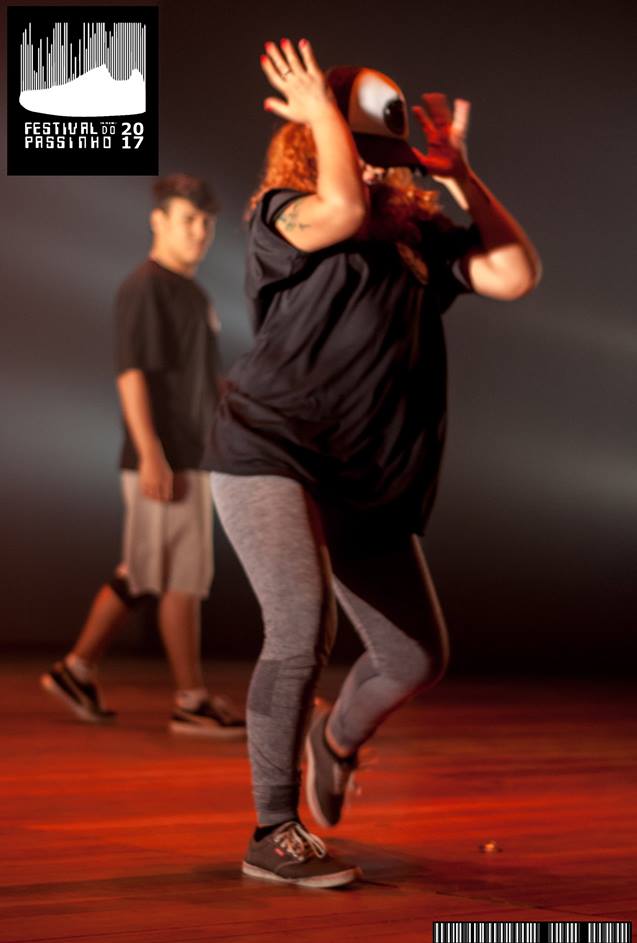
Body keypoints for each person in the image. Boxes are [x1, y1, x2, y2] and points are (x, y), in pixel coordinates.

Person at [207, 39, 541, 885]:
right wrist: (323, 116)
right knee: (299, 628)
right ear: (317, 141)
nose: (370, 163)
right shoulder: (283, 212)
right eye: (356, 145)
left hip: (365, 476)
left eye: (372, 151)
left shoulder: (416, 238)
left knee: (414, 657)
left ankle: (336, 739)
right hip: (268, 448)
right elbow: (342, 208)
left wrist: (460, 177)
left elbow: (513, 275)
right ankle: (272, 831)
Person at [41, 174, 246, 740]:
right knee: (181, 577)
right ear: (159, 221)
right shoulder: (145, 287)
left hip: (192, 452)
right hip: (167, 457)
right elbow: (131, 373)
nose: (199, 232)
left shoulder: (193, 293)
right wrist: (153, 452)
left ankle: (76, 670)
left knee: (144, 569)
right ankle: (191, 701)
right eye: (188, 220)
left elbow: (198, 379)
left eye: (206, 223)